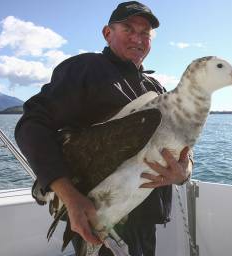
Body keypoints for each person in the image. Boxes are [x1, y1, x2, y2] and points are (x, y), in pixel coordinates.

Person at [15, 1, 192, 255]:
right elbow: (31, 124)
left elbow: (182, 145)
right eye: (128, 29)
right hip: (99, 218)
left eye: (145, 33)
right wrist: (70, 197)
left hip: (144, 218)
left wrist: (184, 171)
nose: (137, 38)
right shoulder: (86, 69)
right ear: (107, 33)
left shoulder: (156, 88)